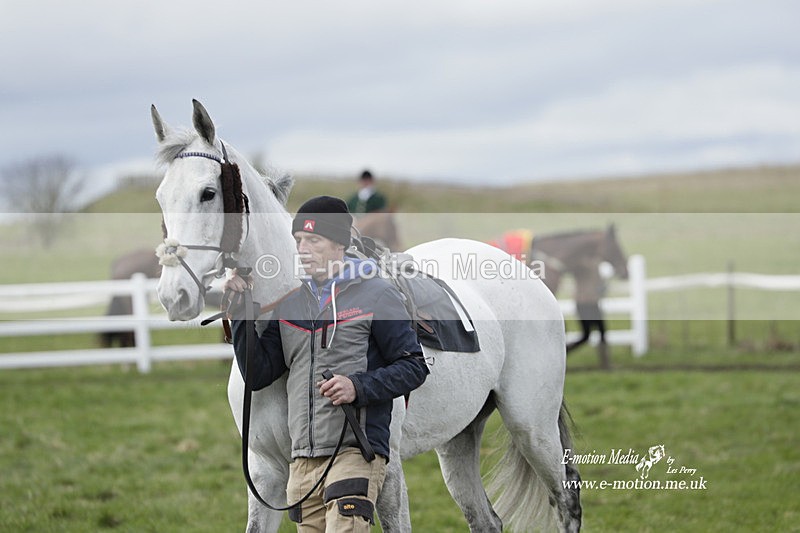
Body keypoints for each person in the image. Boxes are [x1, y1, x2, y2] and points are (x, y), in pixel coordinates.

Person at [225, 195, 428, 532]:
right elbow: (258, 374)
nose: (302, 249)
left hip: (356, 452)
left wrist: (358, 386)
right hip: (303, 461)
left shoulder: (376, 293)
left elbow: (414, 366)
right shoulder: (290, 305)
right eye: (298, 241)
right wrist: (243, 314)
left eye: (313, 240)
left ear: (338, 245)